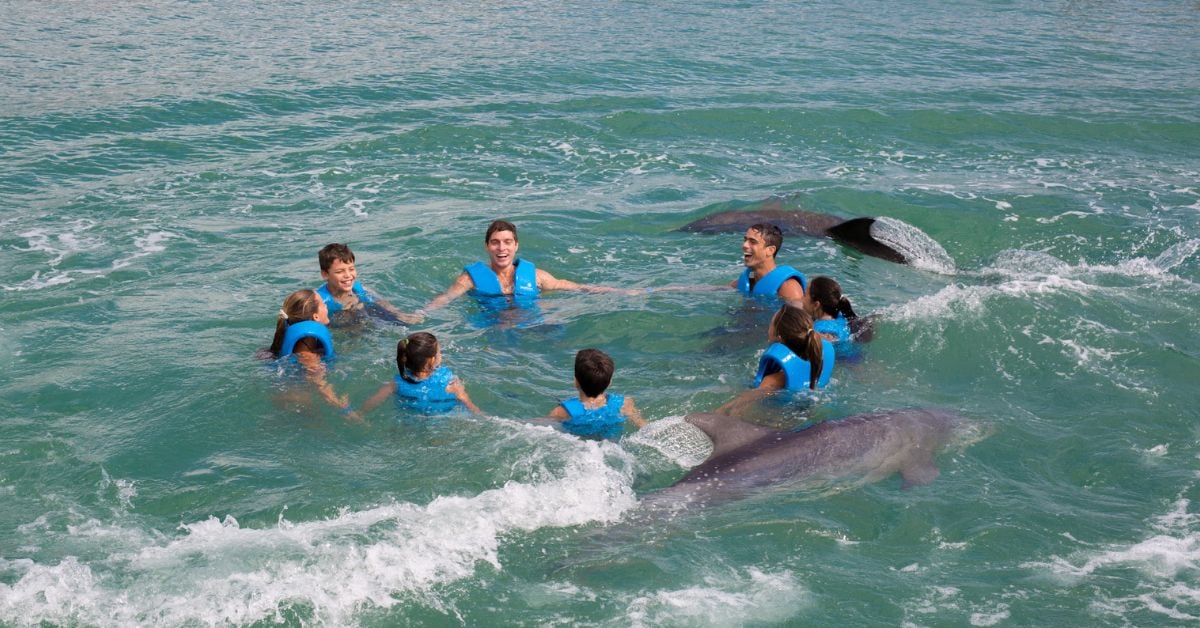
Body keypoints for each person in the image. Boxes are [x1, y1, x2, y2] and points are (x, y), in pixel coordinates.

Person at [421, 220, 636, 315]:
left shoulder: (535, 276)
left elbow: (574, 286)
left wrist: (620, 292)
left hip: (531, 323)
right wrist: (421, 313)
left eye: (507, 242)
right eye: (495, 242)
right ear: (487, 247)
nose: (501, 248)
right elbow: (446, 298)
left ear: (516, 246)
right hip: (493, 328)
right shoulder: (469, 279)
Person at [717, 303, 834, 417]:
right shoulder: (817, 361)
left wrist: (712, 416)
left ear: (778, 336)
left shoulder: (774, 380)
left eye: (771, 324)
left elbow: (735, 409)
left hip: (779, 424)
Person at [267, 289, 360, 420]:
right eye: (323, 304)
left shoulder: (301, 342)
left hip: (289, 394)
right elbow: (319, 384)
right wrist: (345, 409)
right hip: (298, 399)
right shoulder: (307, 354)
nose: (326, 305)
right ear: (315, 316)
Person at [360, 332, 482, 416]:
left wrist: (358, 413)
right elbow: (467, 402)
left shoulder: (398, 382)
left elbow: (373, 401)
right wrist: (462, 395)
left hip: (411, 420)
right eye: (439, 353)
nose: (441, 355)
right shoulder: (448, 379)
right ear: (432, 360)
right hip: (444, 419)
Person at [548, 348, 646, 440]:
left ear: (575, 381)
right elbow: (643, 426)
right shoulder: (624, 404)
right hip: (612, 446)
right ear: (610, 382)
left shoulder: (563, 411)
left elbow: (540, 427)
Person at [317, 243, 420, 324]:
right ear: (325, 274)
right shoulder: (319, 300)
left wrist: (399, 314)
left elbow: (380, 301)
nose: (348, 275)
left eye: (351, 269)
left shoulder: (358, 288)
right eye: (340, 272)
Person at [730, 223, 806, 303]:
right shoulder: (748, 280)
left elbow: (800, 315)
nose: (744, 245)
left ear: (770, 250)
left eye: (753, 242)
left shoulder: (788, 287)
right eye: (745, 240)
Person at [802, 275, 861, 355]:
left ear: (816, 305)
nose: (801, 298)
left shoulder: (821, 331)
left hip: (847, 362)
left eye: (805, 295)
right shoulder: (841, 316)